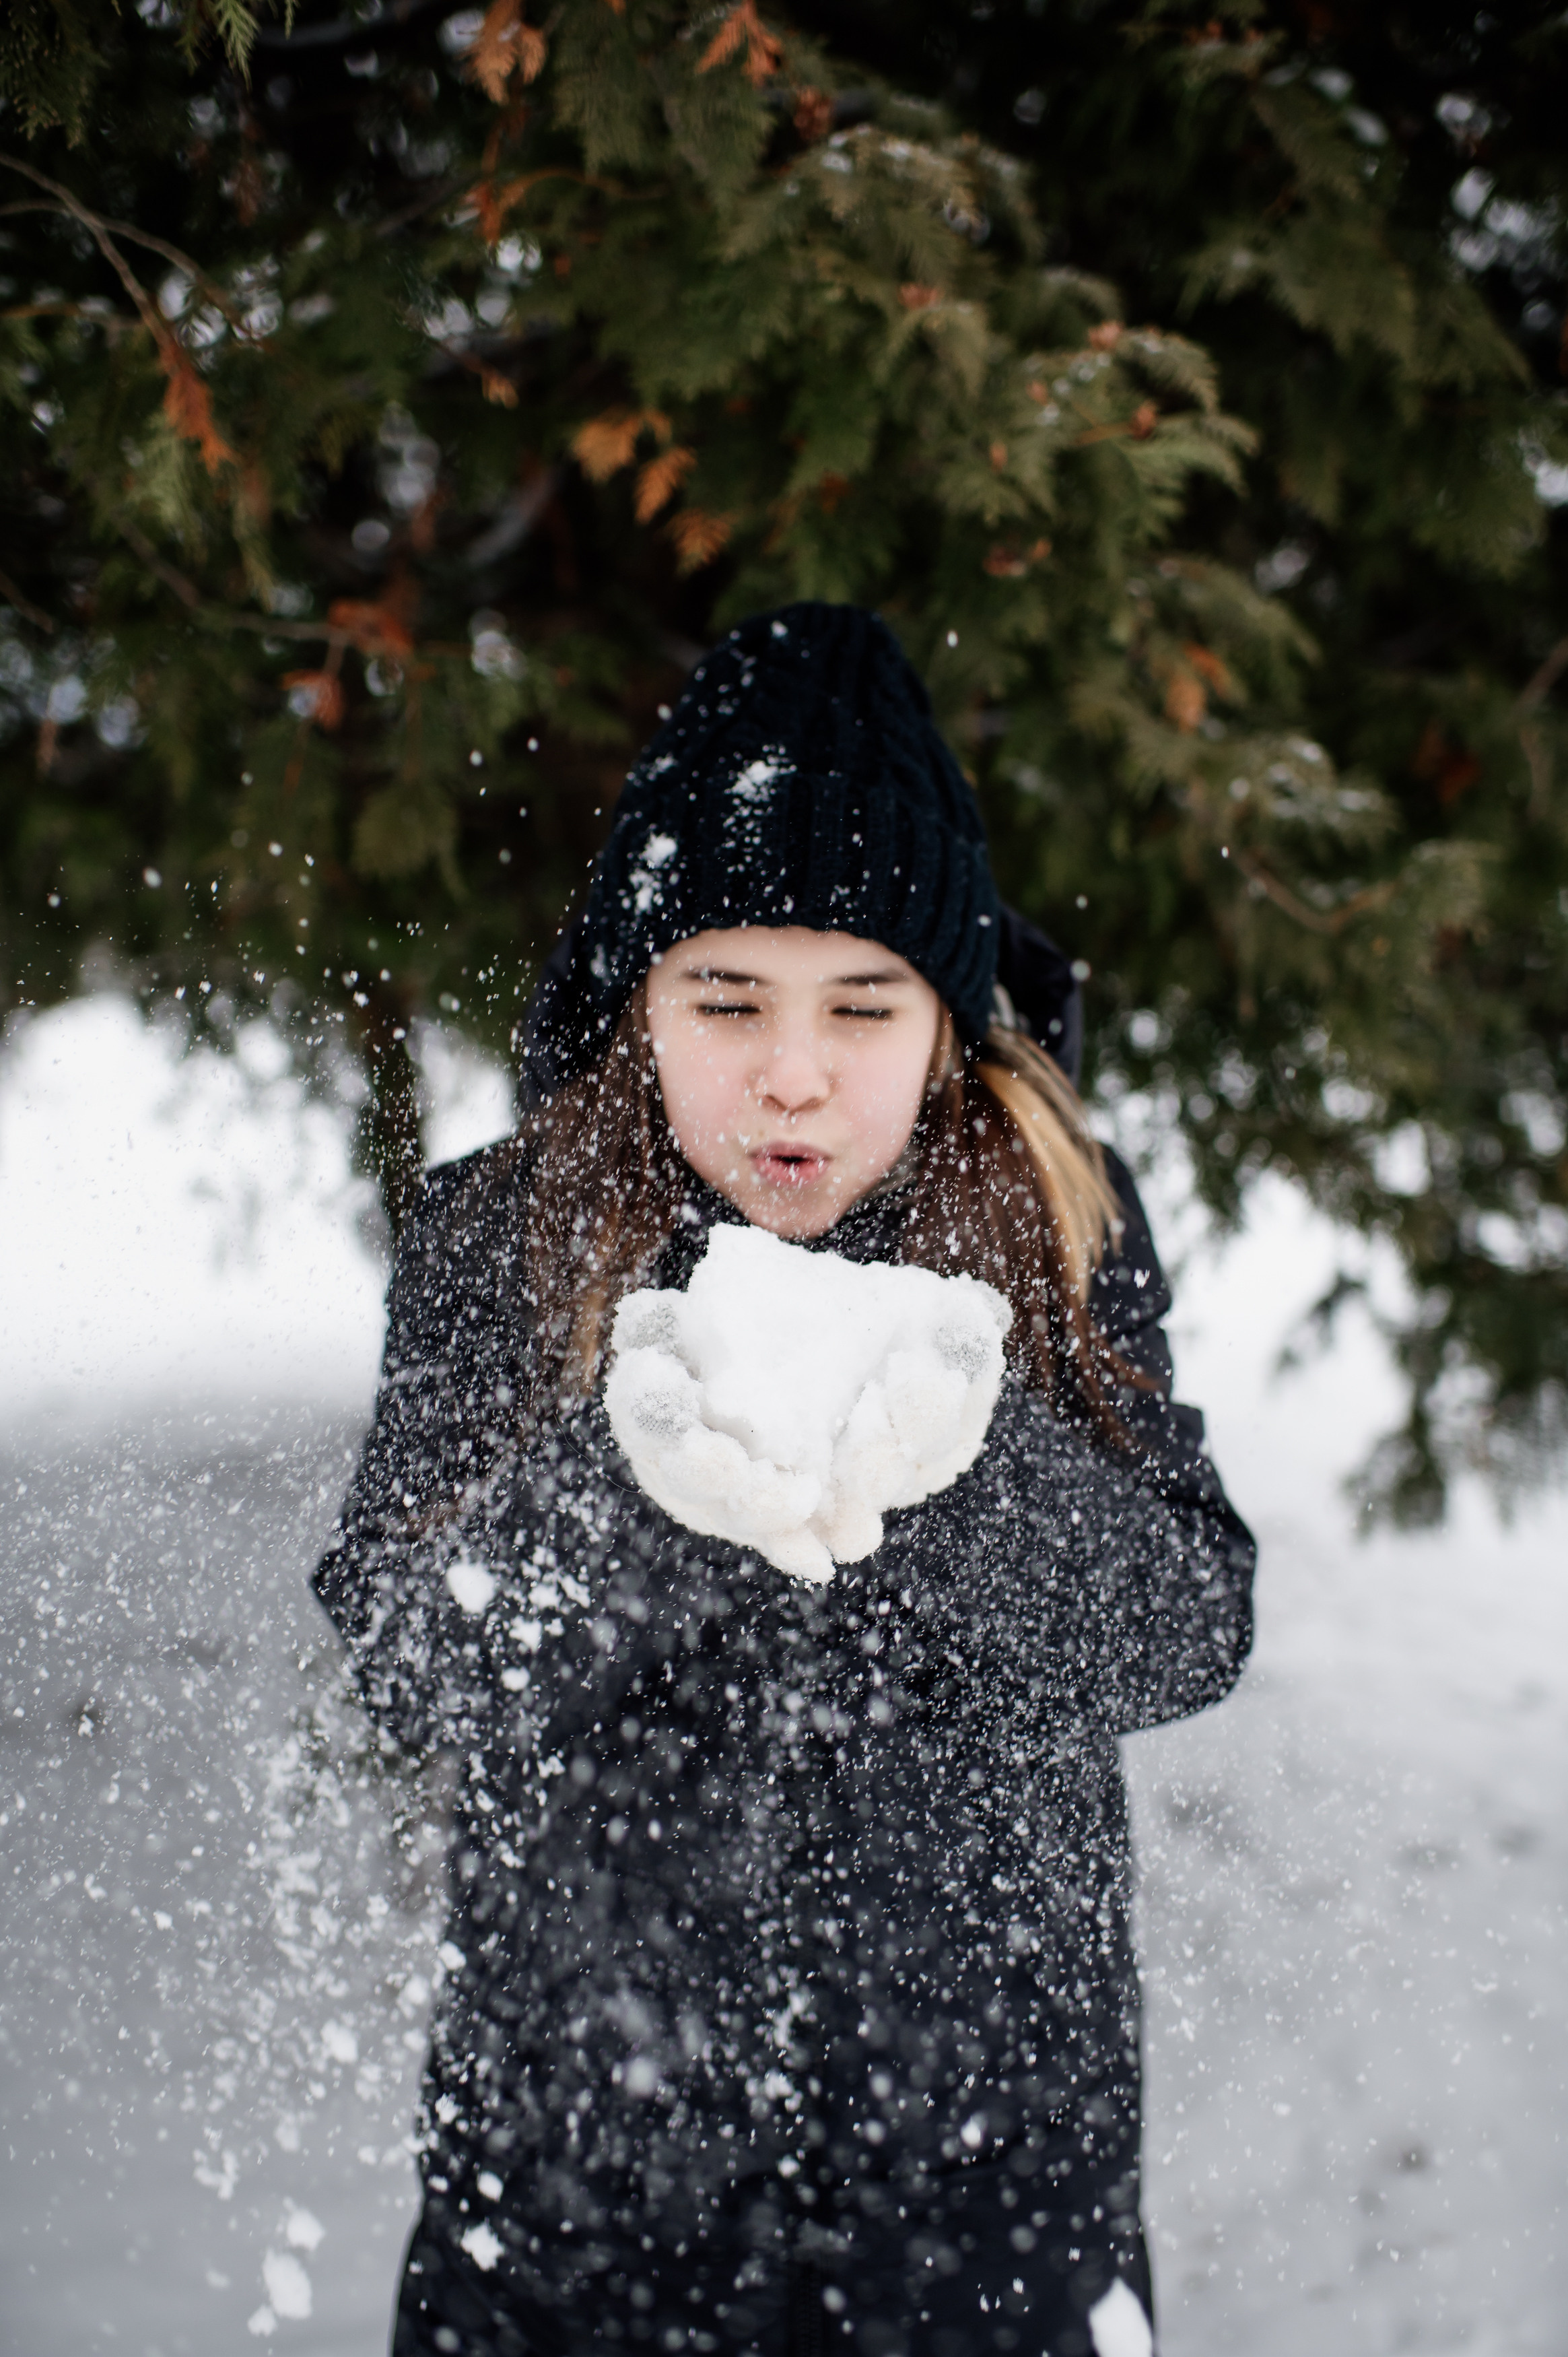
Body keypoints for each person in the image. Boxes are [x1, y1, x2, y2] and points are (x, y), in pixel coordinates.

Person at [314, 602, 1256, 2357]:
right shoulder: (498, 1242)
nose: (793, 1070)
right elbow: (402, 1648)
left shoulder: (1056, 1227)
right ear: (638, 999)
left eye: (862, 1002)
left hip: (984, 2197)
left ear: (947, 1015)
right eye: (725, 997)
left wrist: (953, 1480)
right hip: (576, 2191)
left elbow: (1184, 1620)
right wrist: (624, 1496)